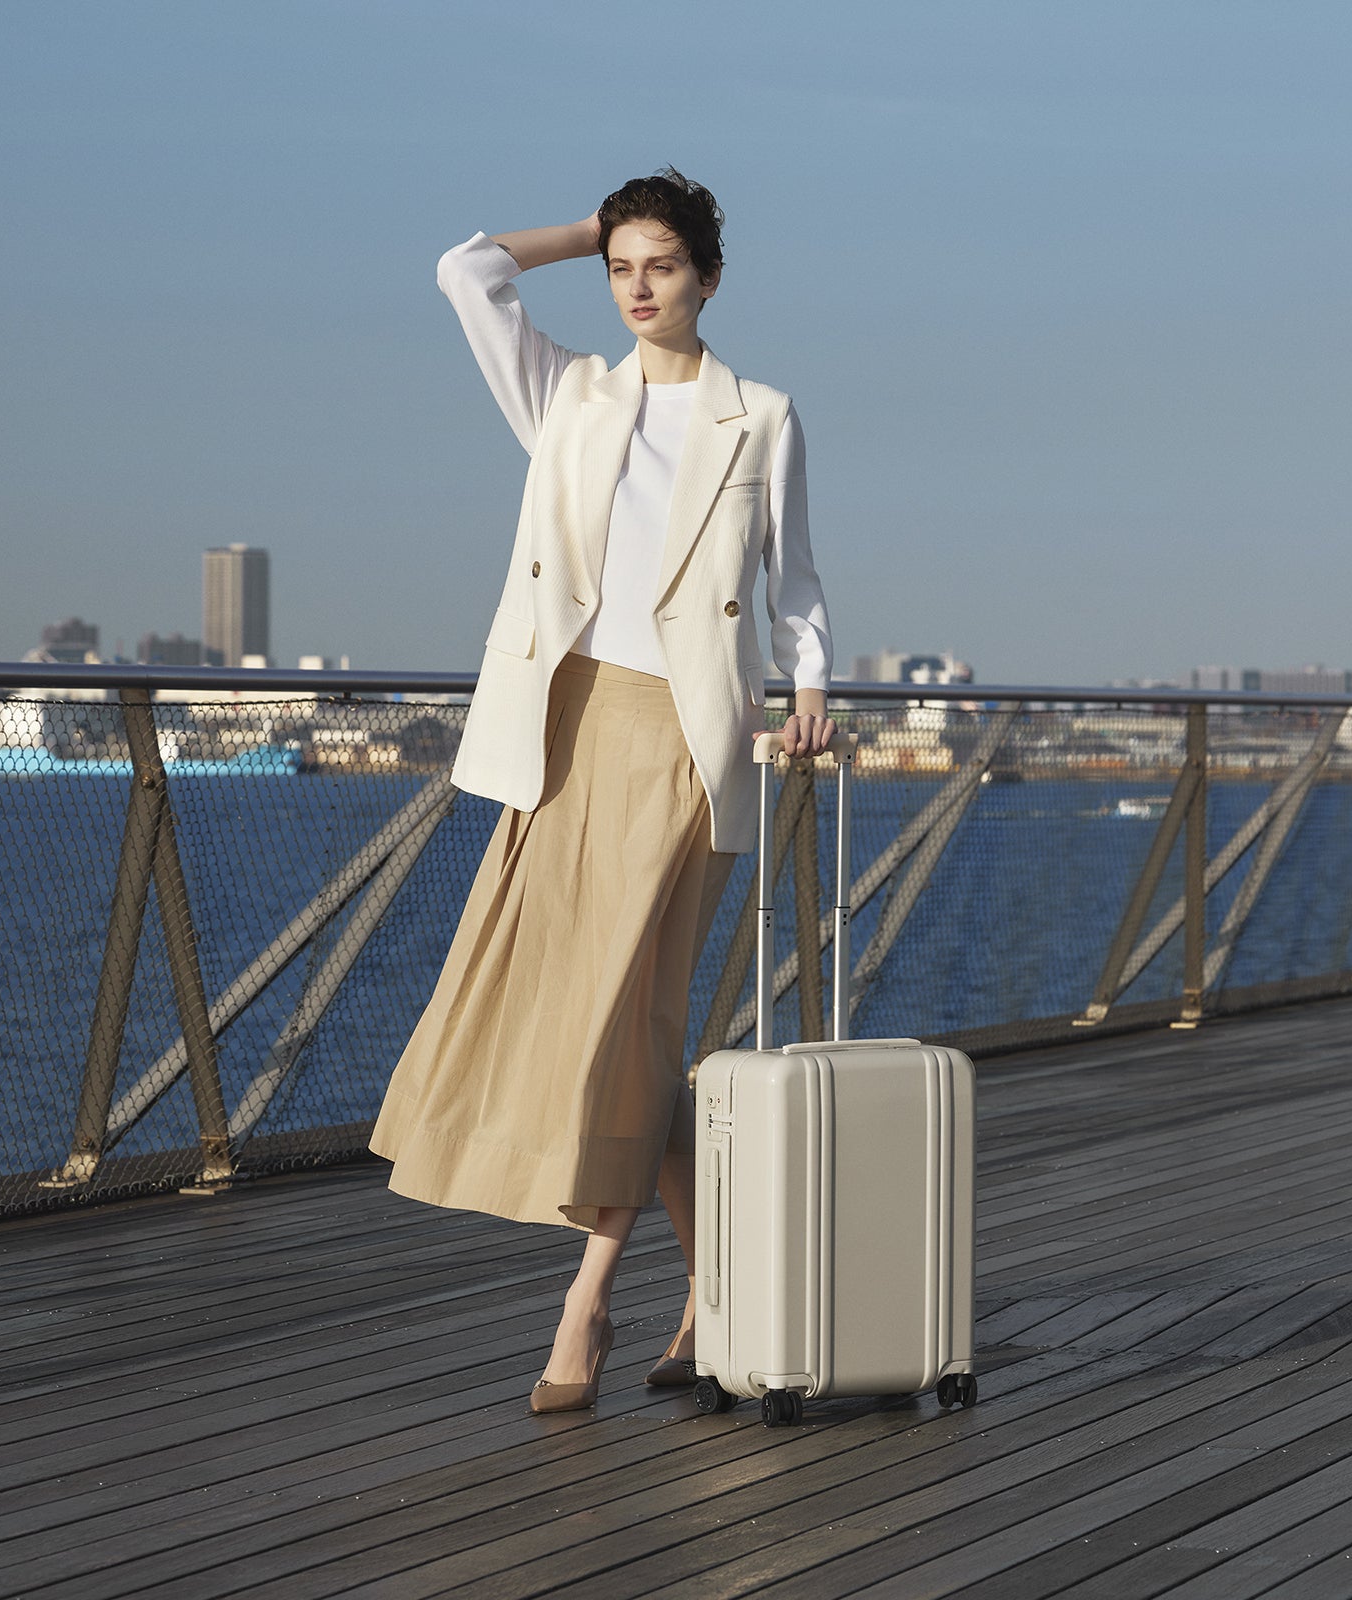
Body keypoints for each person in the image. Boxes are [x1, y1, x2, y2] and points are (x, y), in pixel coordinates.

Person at [369, 170, 835, 1413]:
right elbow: (464, 271)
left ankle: (585, 1300)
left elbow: (795, 584)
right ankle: (710, 1289)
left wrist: (809, 686)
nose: (637, 288)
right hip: (561, 731)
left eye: (663, 265)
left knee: (620, 1018)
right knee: (625, 1029)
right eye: (622, 267)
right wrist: (590, 231)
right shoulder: (566, 394)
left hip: (687, 740)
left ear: (709, 278)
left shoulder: (762, 417)